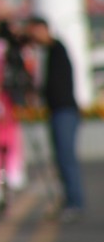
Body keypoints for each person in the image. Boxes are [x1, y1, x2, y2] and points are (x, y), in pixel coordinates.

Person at [25, 16, 85, 221]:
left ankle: (74, 202)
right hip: (58, 110)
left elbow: (54, 84)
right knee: (61, 158)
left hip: (64, 110)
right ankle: (70, 200)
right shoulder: (49, 51)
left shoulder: (56, 50)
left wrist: (39, 94)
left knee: (66, 158)